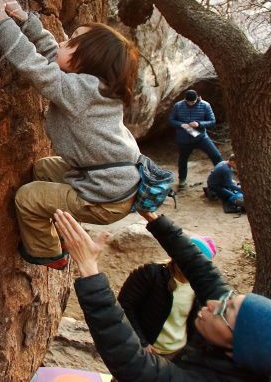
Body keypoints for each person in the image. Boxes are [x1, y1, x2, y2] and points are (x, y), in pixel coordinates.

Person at [0, 0, 141, 269]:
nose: (63, 42)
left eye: (72, 42)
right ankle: (65, 224)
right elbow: (55, 54)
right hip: (113, 183)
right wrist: (24, 19)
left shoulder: (81, 91)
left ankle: (49, 252)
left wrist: (2, 21)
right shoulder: (94, 85)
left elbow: (35, 66)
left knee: (28, 197)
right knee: (44, 169)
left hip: (104, 198)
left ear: (87, 61)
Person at [54, 209, 271, 381]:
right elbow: (200, 268)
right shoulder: (154, 276)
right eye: (229, 299)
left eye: (225, 310)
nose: (214, 302)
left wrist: (89, 269)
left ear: (235, 350)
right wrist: (153, 217)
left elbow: (133, 364)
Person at [118, 235, 217, 358]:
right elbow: (124, 306)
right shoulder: (151, 274)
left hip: (177, 354)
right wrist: (141, 342)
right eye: (184, 255)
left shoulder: (202, 288)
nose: (187, 262)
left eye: (194, 260)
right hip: (143, 351)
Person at [169, 90, 222, 189]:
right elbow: (171, 120)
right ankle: (182, 180)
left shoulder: (205, 105)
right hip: (183, 138)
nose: (190, 104)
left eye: (193, 102)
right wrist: (181, 124)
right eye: (188, 102)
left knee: (216, 156)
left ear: (197, 98)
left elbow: (212, 121)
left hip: (201, 137)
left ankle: (222, 177)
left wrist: (199, 124)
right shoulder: (178, 105)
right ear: (185, 99)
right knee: (183, 159)